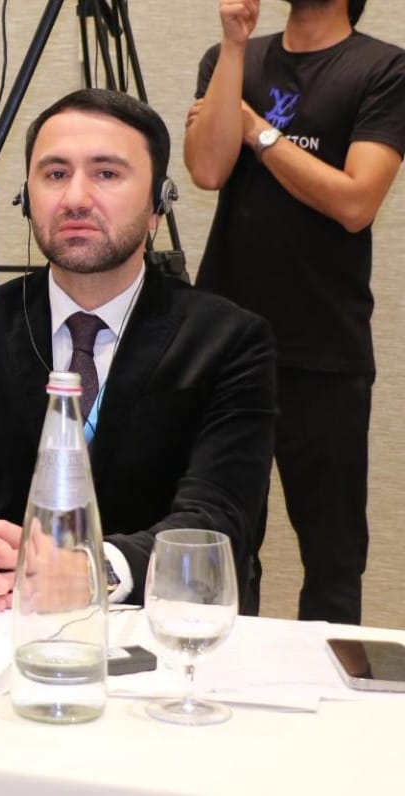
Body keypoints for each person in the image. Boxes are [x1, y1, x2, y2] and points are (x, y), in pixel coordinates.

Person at [0, 88, 277, 613]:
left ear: (158, 205)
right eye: (55, 173)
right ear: (27, 199)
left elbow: (218, 521)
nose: (76, 198)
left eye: (106, 173)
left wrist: (90, 571)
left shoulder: (229, 341)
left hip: (160, 632)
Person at [184, 0, 405, 624]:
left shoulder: (383, 69)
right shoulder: (231, 58)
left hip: (325, 347)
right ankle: (217, 669)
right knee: (223, 544)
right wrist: (234, 43)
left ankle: (333, 683)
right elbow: (207, 169)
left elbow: (356, 202)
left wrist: (257, 129)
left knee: (333, 556)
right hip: (227, 343)